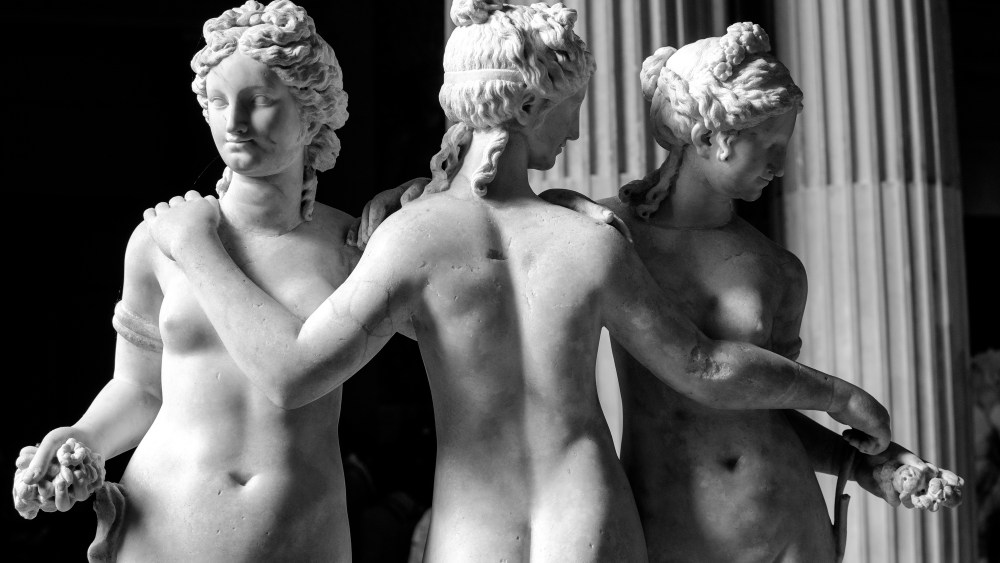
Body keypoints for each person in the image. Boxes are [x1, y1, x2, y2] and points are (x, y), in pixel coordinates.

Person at [142, 2, 891, 561]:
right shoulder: (587, 237)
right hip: (593, 517)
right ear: (529, 107)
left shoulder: (408, 240)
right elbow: (704, 368)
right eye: (570, 111)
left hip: (475, 530)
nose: (575, 133)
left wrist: (195, 247)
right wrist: (838, 395)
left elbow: (291, 372)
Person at [12, 1, 423, 560]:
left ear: (311, 113)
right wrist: (83, 437)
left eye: (260, 101)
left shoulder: (353, 248)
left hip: (298, 527)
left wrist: (431, 209)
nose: (235, 122)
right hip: (165, 519)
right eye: (220, 101)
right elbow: (139, 388)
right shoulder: (158, 238)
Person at [546, 22, 963, 562]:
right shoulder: (608, 235)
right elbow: (703, 372)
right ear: (707, 139)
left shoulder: (779, 270)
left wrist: (865, 463)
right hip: (672, 524)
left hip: (790, 522)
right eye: (768, 146)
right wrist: (840, 396)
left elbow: (771, 407)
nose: (781, 167)